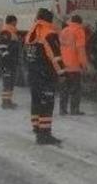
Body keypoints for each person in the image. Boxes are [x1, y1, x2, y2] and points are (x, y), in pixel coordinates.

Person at [23, 8, 65, 145]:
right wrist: (63, 73)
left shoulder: (31, 33)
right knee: (47, 104)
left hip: (33, 74)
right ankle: (44, 134)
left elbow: (25, 55)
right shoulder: (49, 34)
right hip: (46, 74)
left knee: (36, 101)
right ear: (49, 19)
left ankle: (36, 128)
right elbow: (55, 57)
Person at [59, 15, 89, 115]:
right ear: (80, 22)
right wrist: (84, 64)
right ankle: (74, 109)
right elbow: (81, 49)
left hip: (64, 64)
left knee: (64, 88)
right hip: (74, 65)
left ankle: (62, 109)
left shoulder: (64, 31)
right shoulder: (79, 31)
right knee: (75, 89)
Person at [0, 15, 20, 109]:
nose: (16, 23)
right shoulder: (6, 31)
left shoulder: (12, 31)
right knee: (7, 83)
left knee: (10, 82)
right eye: (15, 21)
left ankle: (8, 101)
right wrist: (7, 59)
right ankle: (5, 102)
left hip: (11, 62)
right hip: (7, 63)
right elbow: (3, 48)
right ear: (11, 21)